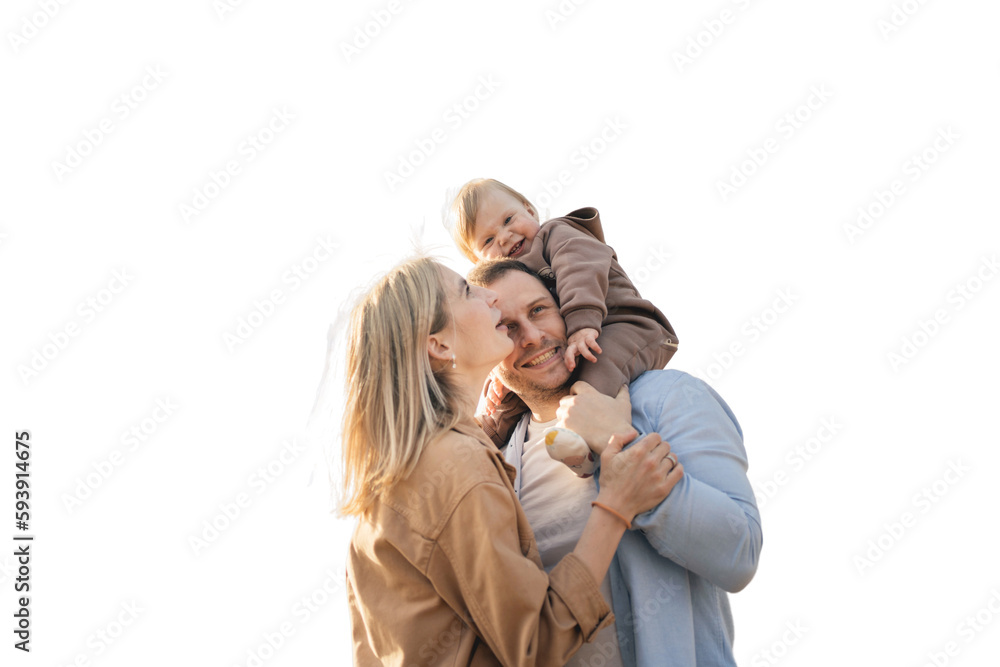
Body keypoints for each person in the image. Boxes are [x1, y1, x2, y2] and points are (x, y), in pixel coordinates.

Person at [341, 256, 683, 666]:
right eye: (467, 291)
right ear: (439, 344)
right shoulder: (456, 467)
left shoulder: (395, 478)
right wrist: (616, 504)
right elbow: (534, 646)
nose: (490, 298)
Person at [467, 258, 763, 667]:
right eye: (508, 327)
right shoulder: (496, 464)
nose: (533, 337)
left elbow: (739, 553)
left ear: (568, 310)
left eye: (539, 311)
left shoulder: (668, 398)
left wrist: (619, 446)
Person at [448, 178, 679, 476]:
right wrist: (495, 380)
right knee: (514, 389)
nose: (504, 237)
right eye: (488, 241)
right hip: (578, 336)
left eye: (508, 220)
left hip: (623, 325)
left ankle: (584, 442)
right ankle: (486, 437)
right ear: (476, 261)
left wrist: (582, 321)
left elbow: (579, 270)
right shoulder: (512, 279)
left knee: (598, 369)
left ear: (530, 211)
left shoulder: (559, 235)